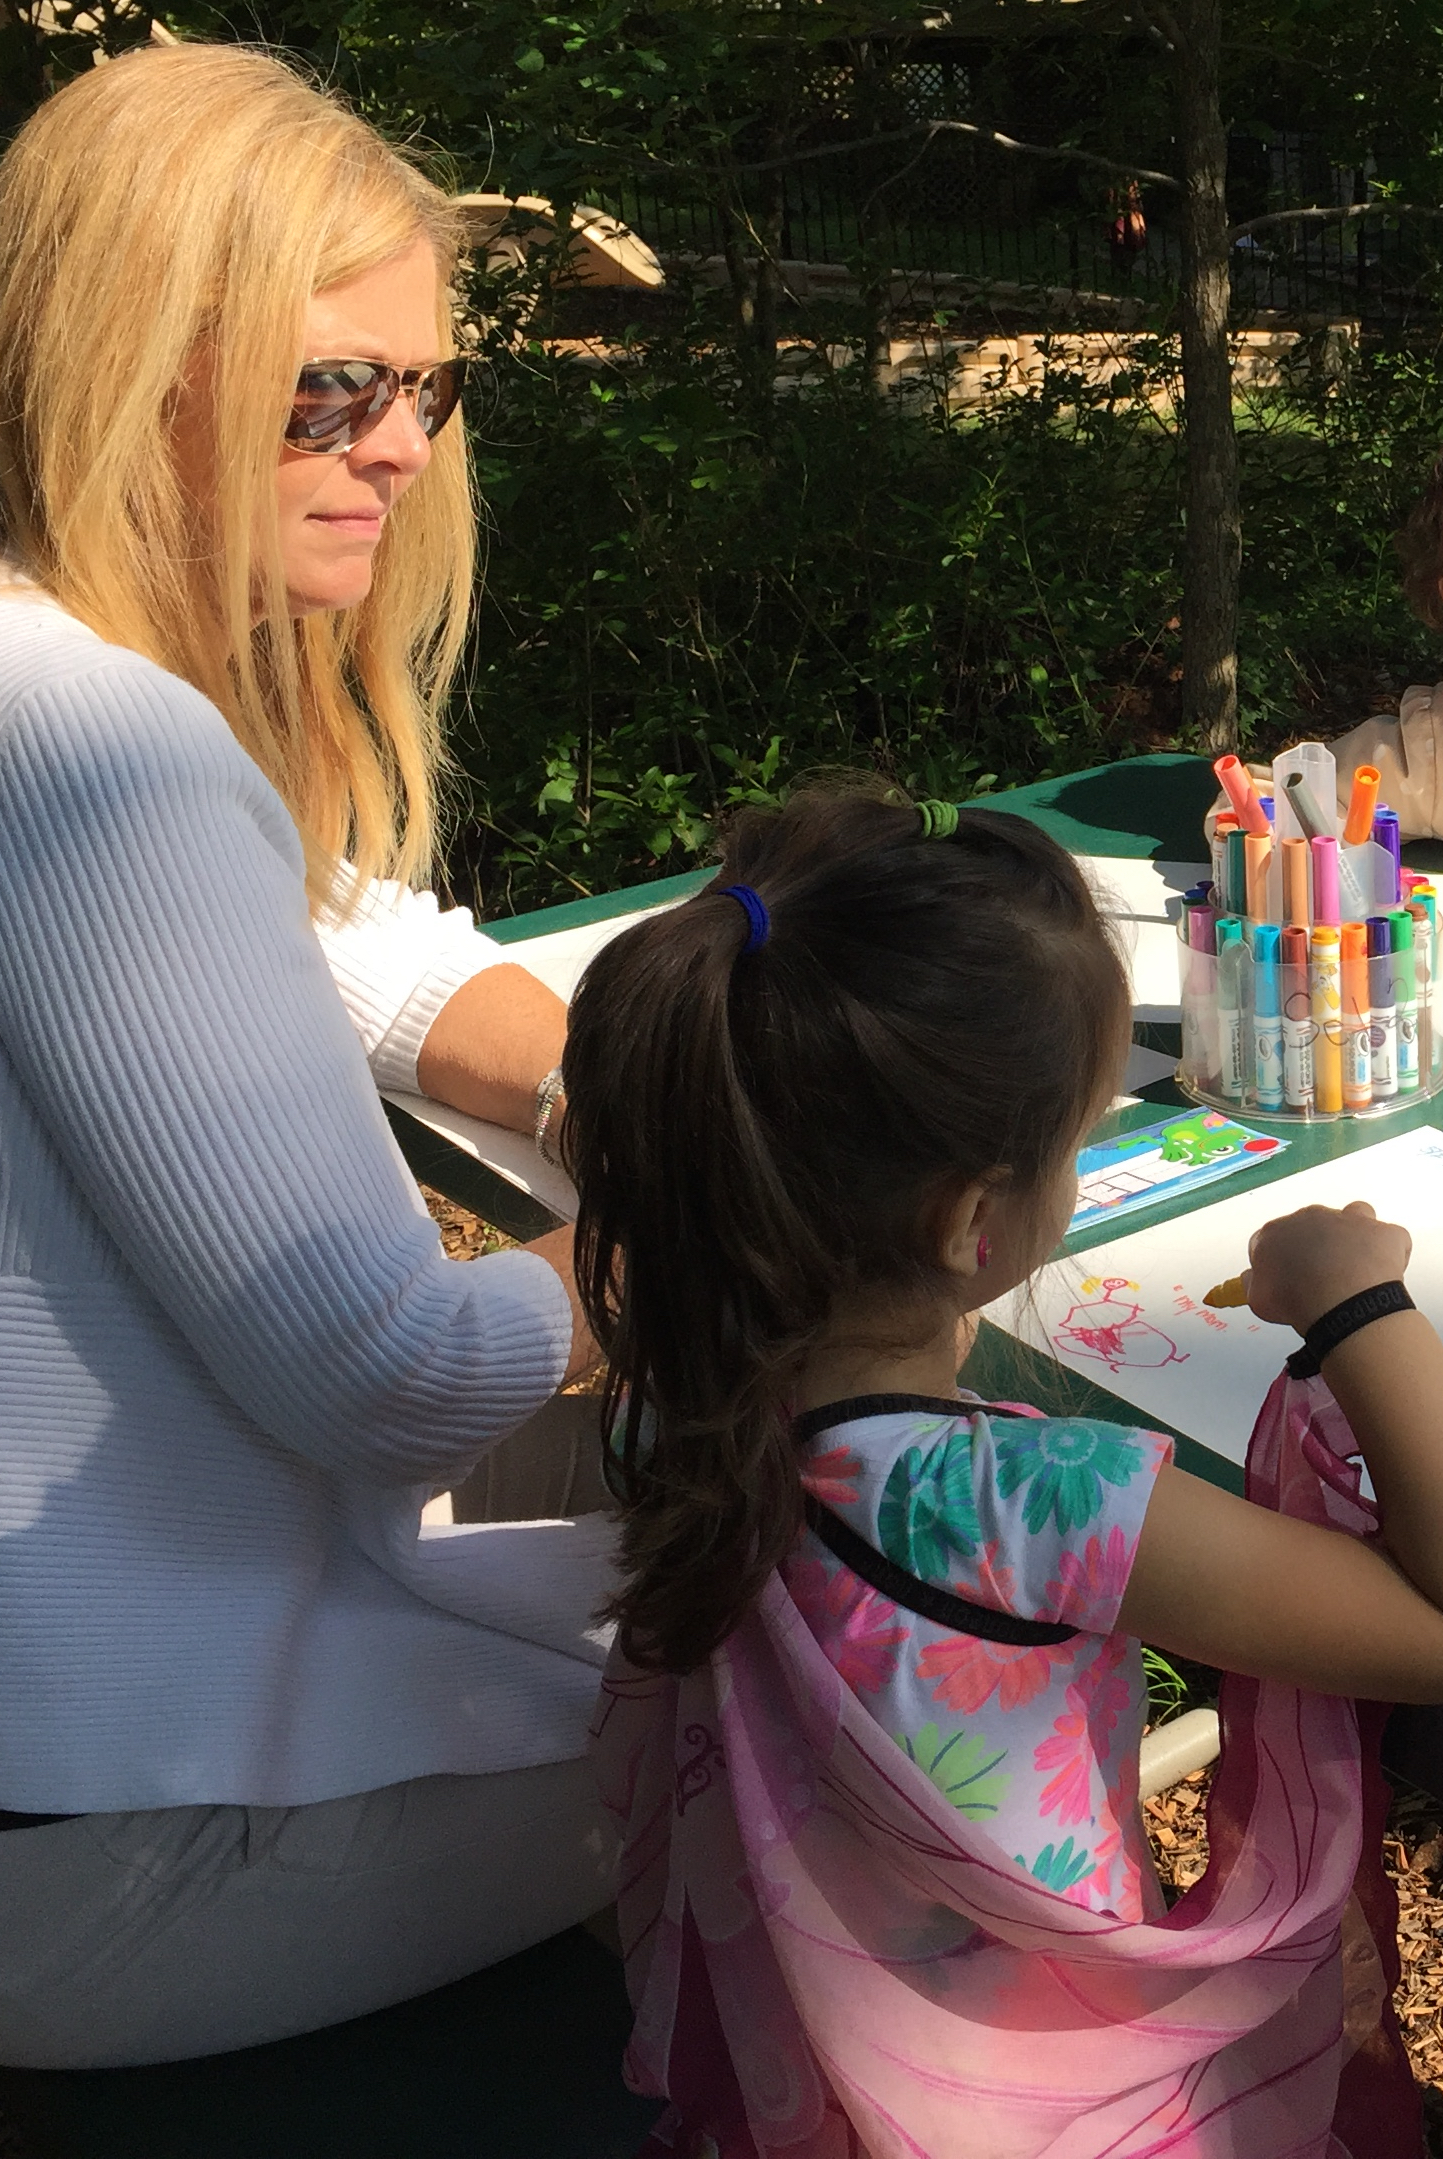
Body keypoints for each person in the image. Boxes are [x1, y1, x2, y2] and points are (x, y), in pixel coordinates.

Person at [0, 43, 620, 2069]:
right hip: (122, 1850)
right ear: (124, 366)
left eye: (424, 387)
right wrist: (740, 1216)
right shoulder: (96, 749)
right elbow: (388, 1374)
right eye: (327, 389)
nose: (399, 449)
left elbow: (334, 932)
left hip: (90, 1775)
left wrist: (605, 1096)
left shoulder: (57, 682)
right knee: (902, 1685)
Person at [560, 787, 1443, 2156]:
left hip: (819, 2083)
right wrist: (1361, 1310)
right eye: (1082, 1138)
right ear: (975, 1219)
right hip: (1041, 2107)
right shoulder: (1034, 1503)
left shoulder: (703, 1408)